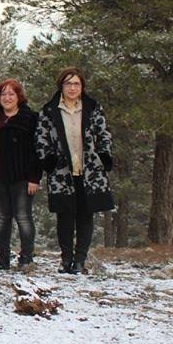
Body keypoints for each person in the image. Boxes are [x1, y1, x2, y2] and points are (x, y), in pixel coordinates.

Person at [36, 67, 114, 275]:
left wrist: (104, 155)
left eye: (76, 83)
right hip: (62, 172)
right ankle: (66, 259)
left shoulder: (92, 107)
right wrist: (47, 160)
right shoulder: (50, 110)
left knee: (86, 216)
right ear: (61, 86)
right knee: (65, 217)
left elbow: (104, 133)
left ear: (82, 86)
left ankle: (80, 259)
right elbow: (41, 138)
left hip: (90, 172)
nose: (72, 87)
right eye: (68, 83)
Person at [0, 79, 40, 271]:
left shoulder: (29, 118)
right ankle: (2, 259)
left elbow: (36, 150)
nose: (7, 98)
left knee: (23, 217)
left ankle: (26, 258)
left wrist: (34, 177)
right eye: (3, 94)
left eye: (11, 94)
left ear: (19, 97)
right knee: (1, 218)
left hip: (22, 177)